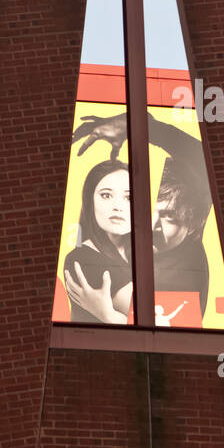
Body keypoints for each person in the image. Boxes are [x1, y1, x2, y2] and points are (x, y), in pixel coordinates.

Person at [64, 112, 212, 325]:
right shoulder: (89, 256)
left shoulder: (184, 256)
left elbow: (207, 163)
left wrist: (146, 127)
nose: (152, 225)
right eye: (106, 195)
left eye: (169, 216)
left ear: (194, 225)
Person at [62, 159, 133, 325]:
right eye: (106, 195)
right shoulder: (82, 260)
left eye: (129, 197)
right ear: (90, 201)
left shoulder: (144, 252)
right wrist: (111, 317)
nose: (118, 206)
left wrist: (110, 316)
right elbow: (153, 313)